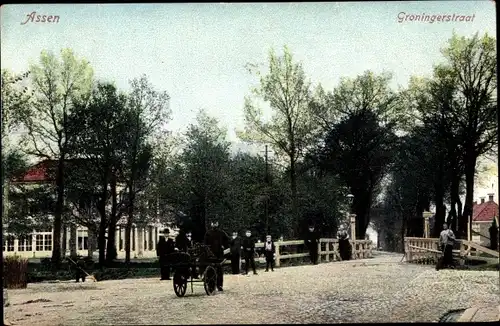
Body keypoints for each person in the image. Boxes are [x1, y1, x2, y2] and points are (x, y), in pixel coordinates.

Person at [204, 220, 230, 291]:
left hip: (219, 254)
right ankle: (211, 286)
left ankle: (219, 285)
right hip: (210, 255)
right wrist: (208, 252)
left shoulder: (221, 233)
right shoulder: (208, 233)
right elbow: (205, 244)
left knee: (219, 270)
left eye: (215, 223)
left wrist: (225, 249)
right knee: (210, 270)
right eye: (213, 223)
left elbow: (227, 241)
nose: (214, 224)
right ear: (211, 224)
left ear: (217, 224)